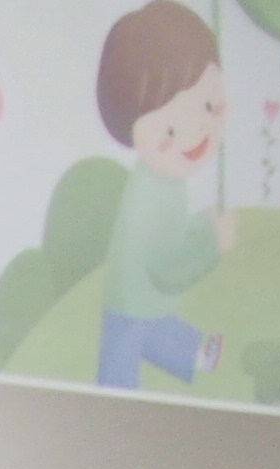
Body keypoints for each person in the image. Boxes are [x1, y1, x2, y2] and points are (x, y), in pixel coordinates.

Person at [94, 2, 236, 394]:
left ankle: (199, 354)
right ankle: (193, 355)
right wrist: (212, 243)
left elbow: (170, 234)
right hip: (133, 300)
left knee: (155, 331)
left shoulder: (163, 180)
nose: (196, 132)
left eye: (209, 106)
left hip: (142, 298)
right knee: (122, 368)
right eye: (171, 131)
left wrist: (203, 223)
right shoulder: (155, 190)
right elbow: (166, 267)